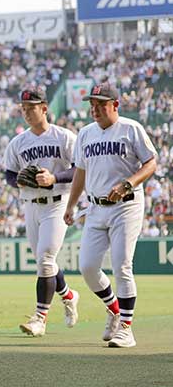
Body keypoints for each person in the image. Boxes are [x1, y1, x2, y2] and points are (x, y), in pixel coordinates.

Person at [64, 83, 157, 349]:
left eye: (101, 103)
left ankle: (126, 328)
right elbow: (80, 171)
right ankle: (114, 309)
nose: (94, 108)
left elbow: (151, 162)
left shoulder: (131, 128)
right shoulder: (85, 133)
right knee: (88, 267)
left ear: (115, 104)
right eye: (92, 103)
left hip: (126, 205)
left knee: (121, 265)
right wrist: (71, 205)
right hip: (94, 207)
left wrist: (129, 183)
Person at [3, 87, 80, 336]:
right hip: (31, 205)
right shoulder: (18, 142)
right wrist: (19, 182)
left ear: (44, 108)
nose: (26, 112)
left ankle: (40, 318)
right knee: (44, 261)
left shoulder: (64, 137)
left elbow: (80, 169)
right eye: (23, 108)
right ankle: (68, 295)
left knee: (45, 260)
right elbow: (10, 174)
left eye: (31, 107)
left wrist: (55, 176)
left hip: (58, 202)